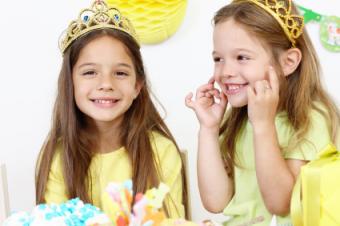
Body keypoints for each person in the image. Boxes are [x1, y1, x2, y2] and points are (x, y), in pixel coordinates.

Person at [185, 0, 340, 225]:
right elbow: (215, 202)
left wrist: (263, 126)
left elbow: (281, 204)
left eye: (242, 57)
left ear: (288, 62)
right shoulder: (237, 119)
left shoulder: (309, 118)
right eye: (218, 59)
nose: (226, 71)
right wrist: (208, 129)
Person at [35, 0, 188, 220]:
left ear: (138, 86)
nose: (106, 83)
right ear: (70, 83)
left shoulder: (160, 151)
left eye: (120, 73)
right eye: (90, 72)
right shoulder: (58, 157)